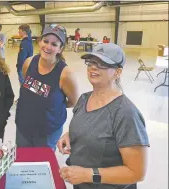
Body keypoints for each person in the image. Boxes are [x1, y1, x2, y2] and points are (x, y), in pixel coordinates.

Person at [58, 43, 149, 189]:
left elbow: (137, 172)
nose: (94, 67)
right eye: (92, 62)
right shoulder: (84, 99)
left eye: (103, 64)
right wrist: (71, 134)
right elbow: (93, 126)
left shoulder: (125, 113)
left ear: (117, 72)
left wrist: (87, 174)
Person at [15, 24, 79, 150]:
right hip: (23, 128)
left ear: (60, 49)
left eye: (54, 44)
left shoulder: (65, 74)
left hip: (46, 134)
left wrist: (50, 108)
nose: (48, 47)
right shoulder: (29, 63)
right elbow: (26, 86)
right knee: (22, 164)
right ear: (39, 42)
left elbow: (72, 102)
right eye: (46, 41)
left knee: (42, 166)